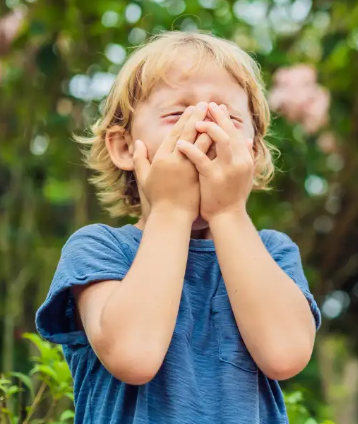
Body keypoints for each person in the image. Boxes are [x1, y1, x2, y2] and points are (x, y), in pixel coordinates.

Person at [35, 31, 321, 424]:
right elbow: (133, 356)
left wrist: (227, 212)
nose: (204, 129)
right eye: (177, 115)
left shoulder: (273, 253)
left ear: (251, 155)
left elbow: (285, 355)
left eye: (228, 118)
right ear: (124, 148)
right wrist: (171, 209)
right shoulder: (97, 249)